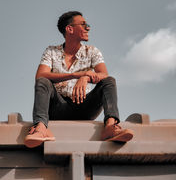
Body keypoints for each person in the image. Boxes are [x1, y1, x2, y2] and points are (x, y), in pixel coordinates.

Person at [24, 11, 133, 148]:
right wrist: (76, 75)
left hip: (84, 108)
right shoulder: (51, 51)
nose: (88, 28)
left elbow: (104, 74)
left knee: (109, 81)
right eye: (83, 24)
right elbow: (41, 75)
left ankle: (111, 127)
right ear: (70, 29)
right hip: (58, 108)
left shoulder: (92, 51)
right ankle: (40, 128)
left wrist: (86, 77)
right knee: (42, 82)